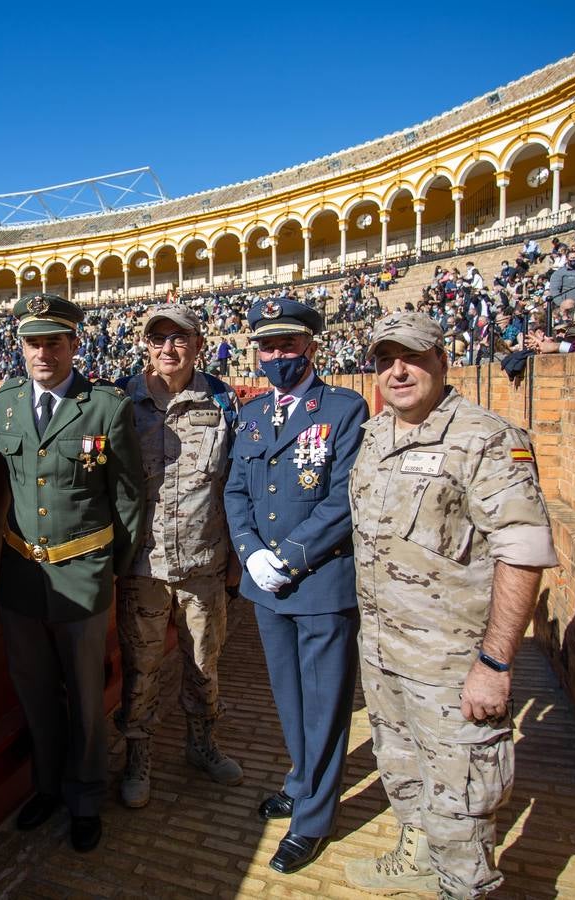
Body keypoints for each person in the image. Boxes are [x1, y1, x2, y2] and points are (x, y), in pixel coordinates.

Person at [342, 311, 557, 899]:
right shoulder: (376, 436)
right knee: (402, 767)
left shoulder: (487, 438)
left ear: (442, 360)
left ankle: (465, 887)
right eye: (385, 360)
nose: (397, 370)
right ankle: (417, 858)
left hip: (451, 664)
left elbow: (523, 550)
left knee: (462, 794)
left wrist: (494, 663)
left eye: (411, 356)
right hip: (385, 651)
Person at [0, 293, 145, 854]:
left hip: (82, 575)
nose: (43, 352)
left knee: (83, 696)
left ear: (74, 344)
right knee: (34, 692)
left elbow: (128, 497)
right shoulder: (2, 402)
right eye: (33, 341)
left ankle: (84, 799)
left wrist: (112, 571)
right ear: (21, 347)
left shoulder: (105, 406)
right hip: (21, 576)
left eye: (54, 340)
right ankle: (48, 788)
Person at [223, 297, 368, 874]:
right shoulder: (253, 416)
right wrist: (252, 552)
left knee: (325, 706)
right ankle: (303, 780)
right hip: (267, 585)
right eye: (267, 346)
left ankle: (313, 819)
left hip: (320, 581)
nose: (276, 355)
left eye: (287, 344)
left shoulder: (343, 408)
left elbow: (343, 497)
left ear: (311, 344)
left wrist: (289, 555)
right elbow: (237, 491)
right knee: (289, 698)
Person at [114, 304, 243, 810]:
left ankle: (202, 743)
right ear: (146, 346)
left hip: (203, 563)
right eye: (158, 339)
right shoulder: (123, 400)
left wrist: (234, 557)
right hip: (143, 566)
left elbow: (237, 482)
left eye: (180, 338)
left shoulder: (222, 400)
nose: (169, 348)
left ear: (198, 345)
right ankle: (137, 756)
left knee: (204, 664)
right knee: (140, 667)